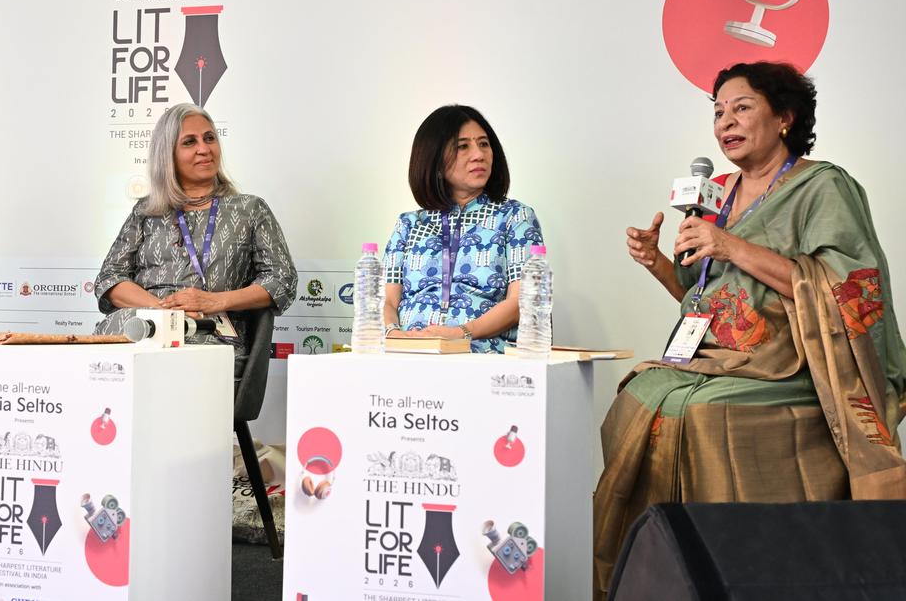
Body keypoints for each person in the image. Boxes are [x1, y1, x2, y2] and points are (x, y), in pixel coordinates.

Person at [595, 62, 906, 596]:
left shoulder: (822, 186)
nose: (725, 122)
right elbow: (706, 296)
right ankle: (658, 577)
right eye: (718, 112)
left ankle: (737, 576)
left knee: (704, 414)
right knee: (641, 399)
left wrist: (732, 245)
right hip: (714, 357)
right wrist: (658, 265)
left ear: (784, 117)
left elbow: (849, 289)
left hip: (789, 363)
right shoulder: (717, 192)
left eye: (741, 108)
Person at [93, 104, 297, 370]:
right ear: (168, 155)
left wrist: (215, 300)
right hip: (142, 331)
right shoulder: (146, 211)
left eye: (209, 138)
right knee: (102, 361)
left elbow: (282, 280)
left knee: (169, 368)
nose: (204, 149)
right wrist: (164, 311)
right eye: (190, 142)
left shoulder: (249, 209)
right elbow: (110, 279)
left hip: (209, 336)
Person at [381, 104, 543, 353]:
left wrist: (460, 334)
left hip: (482, 354)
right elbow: (387, 300)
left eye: (484, 144)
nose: (478, 155)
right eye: (462, 146)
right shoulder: (408, 224)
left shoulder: (515, 216)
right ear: (434, 160)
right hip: (409, 353)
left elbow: (522, 301)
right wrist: (393, 334)